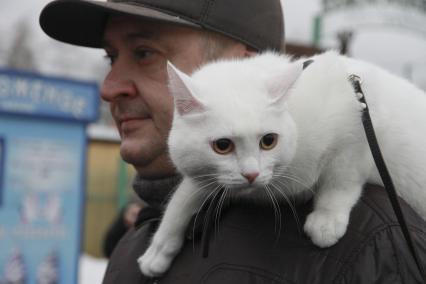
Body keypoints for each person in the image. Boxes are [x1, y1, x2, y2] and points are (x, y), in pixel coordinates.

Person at [39, 0, 426, 283]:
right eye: (111, 57)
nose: (109, 88)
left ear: (246, 63)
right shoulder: (136, 240)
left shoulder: (370, 242)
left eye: (144, 53)